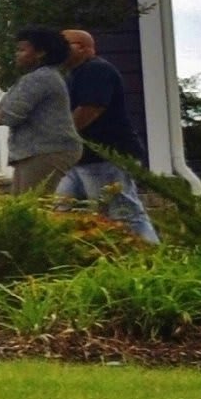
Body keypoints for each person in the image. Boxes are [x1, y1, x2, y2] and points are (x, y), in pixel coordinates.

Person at [58, 27, 160, 243]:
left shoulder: (96, 70)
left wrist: (61, 136)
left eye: (63, 45)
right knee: (60, 210)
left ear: (84, 48)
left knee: (123, 213)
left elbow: (90, 108)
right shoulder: (72, 75)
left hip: (108, 157)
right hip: (79, 159)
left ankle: (151, 256)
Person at [0, 28, 81, 194]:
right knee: (21, 207)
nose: (17, 54)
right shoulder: (44, 76)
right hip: (38, 152)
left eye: (22, 50)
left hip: (44, 151)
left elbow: (8, 116)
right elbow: (0, 112)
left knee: (32, 207)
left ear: (40, 53)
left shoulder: (39, 78)